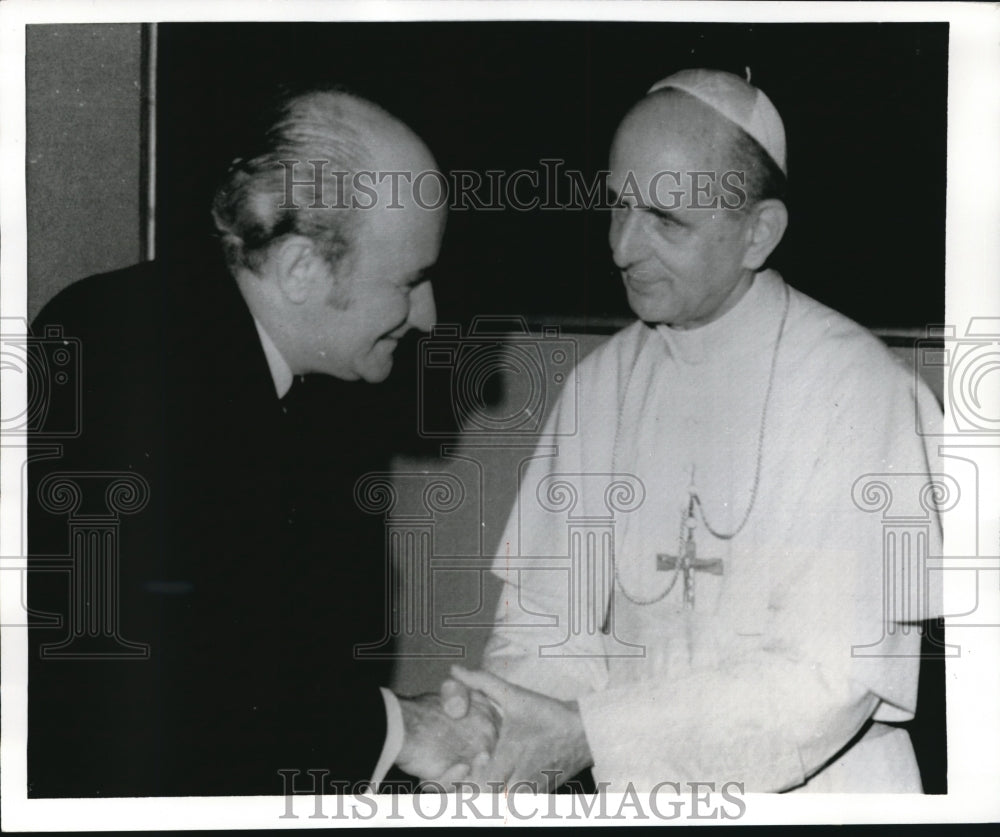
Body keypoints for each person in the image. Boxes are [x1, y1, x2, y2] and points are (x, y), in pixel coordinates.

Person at [439, 69, 944, 793]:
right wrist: (503, 724)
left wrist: (591, 734)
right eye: (616, 207)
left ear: (757, 233)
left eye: (664, 219)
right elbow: (548, 625)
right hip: (633, 791)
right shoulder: (600, 385)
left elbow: (830, 676)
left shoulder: (860, 391)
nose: (620, 247)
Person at [27, 88, 496, 797]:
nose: (428, 318)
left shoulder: (259, 374)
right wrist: (399, 730)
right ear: (303, 268)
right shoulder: (123, 352)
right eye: (412, 280)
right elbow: (145, 677)